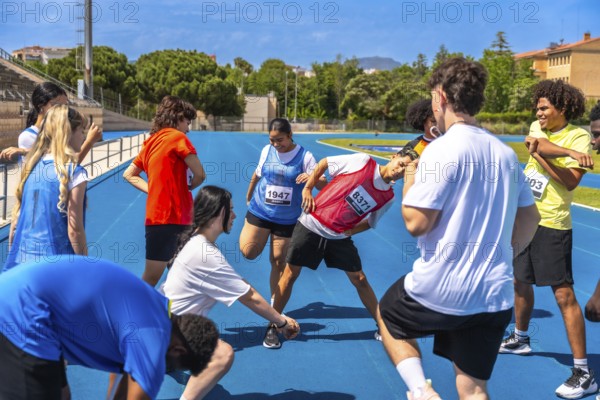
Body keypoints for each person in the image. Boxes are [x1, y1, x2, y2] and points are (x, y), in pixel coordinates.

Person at [377, 57, 540, 400]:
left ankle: (421, 392)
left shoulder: (440, 150)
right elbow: (530, 219)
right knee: (474, 389)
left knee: (387, 313)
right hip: (493, 295)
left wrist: (410, 179)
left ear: (440, 97)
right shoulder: (504, 154)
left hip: (441, 289)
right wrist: (502, 255)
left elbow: (416, 224)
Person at [498, 80, 596, 399]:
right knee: (519, 280)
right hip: (526, 218)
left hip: (553, 224)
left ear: (562, 108)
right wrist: (558, 152)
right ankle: (521, 338)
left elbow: (568, 182)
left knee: (563, 295)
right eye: (537, 108)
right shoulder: (538, 128)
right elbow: (534, 142)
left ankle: (583, 372)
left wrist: (540, 156)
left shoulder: (580, 135)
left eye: (544, 108)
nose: (538, 113)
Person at [0, 256, 218, 400]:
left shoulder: (156, 308)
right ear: (179, 350)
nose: (164, 370)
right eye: (171, 365)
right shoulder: (153, 337)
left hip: (29, 302)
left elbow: (121, 379)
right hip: (22, 313)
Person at [161, 185, 300, 398]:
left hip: (161, 317)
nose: (235, 216)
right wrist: (280, 322)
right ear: (218, 214)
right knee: (222, 354)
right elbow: (249, 296)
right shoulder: (205, 253)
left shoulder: (197, 241)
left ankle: (165, 357)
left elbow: (242, 286)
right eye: (231, 210)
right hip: (164, 326)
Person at [268, 149, 410, 349]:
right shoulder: (363, 161)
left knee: (360, 279)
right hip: (311, 224)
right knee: (290, 274)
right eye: (401, 164)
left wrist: (349, 230)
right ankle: (273, 326)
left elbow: (370, 223)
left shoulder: (388, 197)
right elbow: (325, 162)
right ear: (394, 157)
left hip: (339, 236)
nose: (400, 171)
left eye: (406, 170)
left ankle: (383, 326)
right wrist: (308, 188)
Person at [239, 118, 326, 331]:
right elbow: (258, 174)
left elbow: (324, 182)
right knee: (248, 252)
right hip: (260, 210)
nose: (276, 144)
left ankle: (274, 306)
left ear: (290, 136)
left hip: (287, 218)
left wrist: (312, 177)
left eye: (280, 140)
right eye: (272, 140)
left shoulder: (305, 156)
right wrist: (249, 195)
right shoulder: (267, 151)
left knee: (278, 261)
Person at [123, 95, 206, 286]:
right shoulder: (178, 138)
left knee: (151, 277)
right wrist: (189, 186)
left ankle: (138, 310)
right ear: (177, 118)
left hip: (156, 218)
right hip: (179, 217)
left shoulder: (150, 142)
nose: (188, 127)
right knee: (184, 276)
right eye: (187, 121)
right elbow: (200, 174)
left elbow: (129, 174)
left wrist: (154, 190)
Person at [3, 105, 89, 272]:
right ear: (68, 133)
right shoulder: (75, 173)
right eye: (81, 131)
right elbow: (75, 230)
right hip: (56, 264)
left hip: (23, 260)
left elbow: (15, 223)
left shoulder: (32, 167)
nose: (83, 136)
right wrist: (85, 266)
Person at [0, 82, 101, 164]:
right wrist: (89, 142)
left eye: (65, 105)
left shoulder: (61, 131)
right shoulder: (28, 136)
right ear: (41, 105)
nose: (63, 109)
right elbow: (69, 165)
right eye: (57, 104)